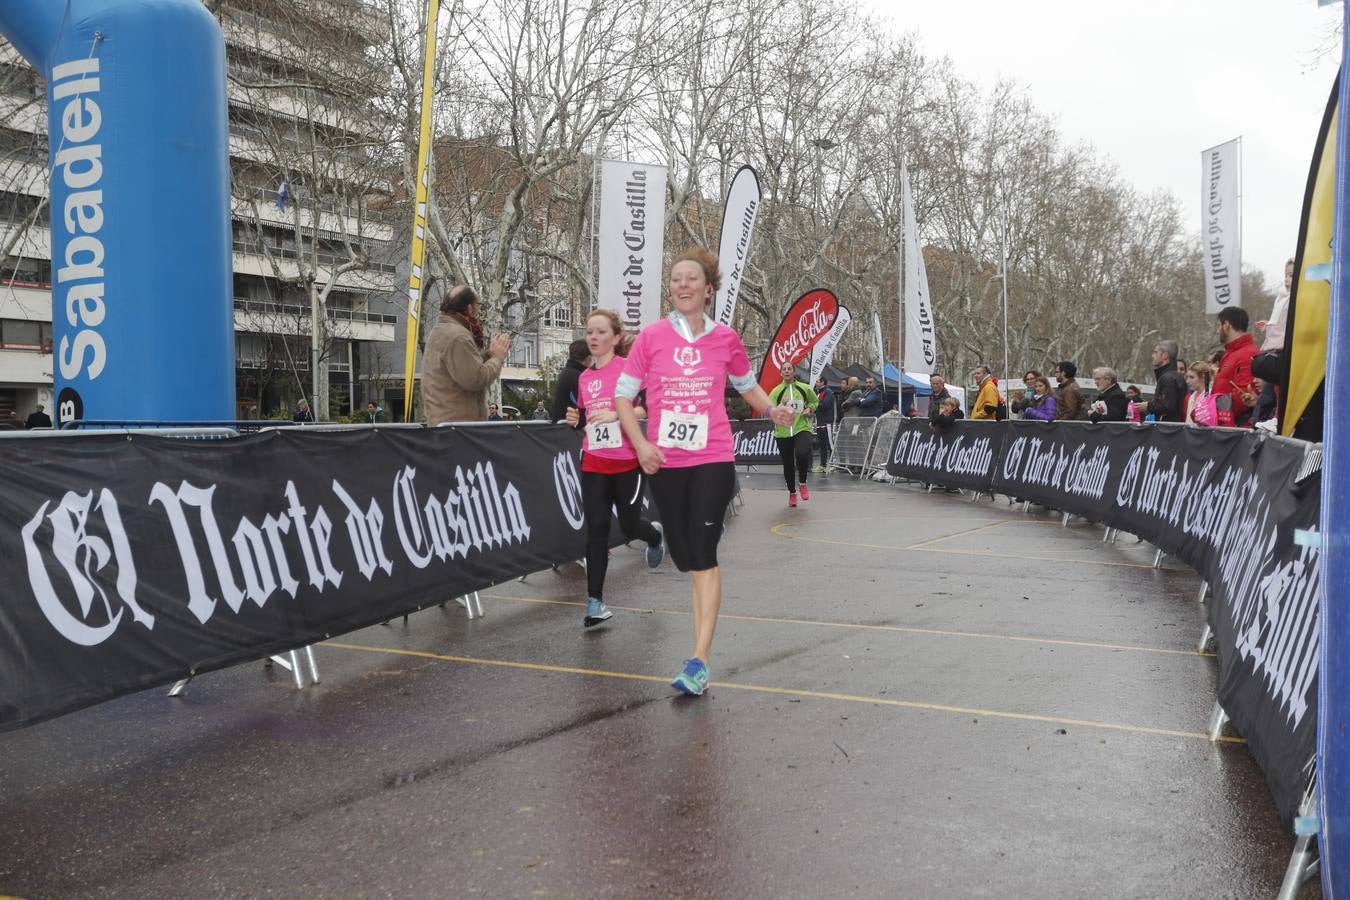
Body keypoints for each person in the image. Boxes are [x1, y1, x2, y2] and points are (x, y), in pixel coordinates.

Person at [614, 247, 794, 697]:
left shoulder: (726, 339)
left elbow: (746, 386)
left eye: (691, 279)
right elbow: (622, 398)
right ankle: (695, 538)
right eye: (675, 279)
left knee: (703, 556)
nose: (682, 285)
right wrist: (641, 445)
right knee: (684, 554)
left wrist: (772, 410)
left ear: (708, 289)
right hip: (664, 460)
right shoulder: (651, 338)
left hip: (713, 455)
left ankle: (699, 660)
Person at [564, 309, 665, 628]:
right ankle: (594, 603)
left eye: (600, 332)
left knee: (630, 525)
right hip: (593, 462)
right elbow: (583, 417)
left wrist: (617, 414)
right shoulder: (584, 377)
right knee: (596, 529)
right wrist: (575, 420)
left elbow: (647, 406)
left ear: (615, 338)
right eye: (589, 332)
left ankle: (654, 536)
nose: (593, 337)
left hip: (626, 462)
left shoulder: (629, 370)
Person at [421, 284, 512, 425]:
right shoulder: (458, 336)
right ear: (469, 308)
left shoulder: (442, 330)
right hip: (459, 430)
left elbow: (464, 368)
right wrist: (497, 358)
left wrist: (489, 354)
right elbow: (475, 378)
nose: (479, 310)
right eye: (479, 304)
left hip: (447, 426)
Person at [769, 361, 818, 507]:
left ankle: (802, 483)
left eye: (789, 369)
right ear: (781, 373)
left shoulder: (804, 388)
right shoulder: (776, 391)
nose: (787, 371)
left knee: (802, 453)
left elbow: (814, 402)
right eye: (784, 369)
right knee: (788, 464)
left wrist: (810, 409)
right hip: (783, 432)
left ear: (794, 372)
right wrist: (782, 405)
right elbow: (770, 412)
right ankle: (792, 493)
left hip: (801, 428)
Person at [1252, 257, 1295, 422]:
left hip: (1285, 347)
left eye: (1291, 275)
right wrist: (1268, 326)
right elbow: (1280, 323)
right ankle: (1277, 416)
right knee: (1275, 387)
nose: (1286, 279)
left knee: (1280, 386)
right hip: (1276, 346)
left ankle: (1280, 417)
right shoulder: (1282, 297)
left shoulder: (1294, 298)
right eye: (1286, 274)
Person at [1212, 307, 1259, 426]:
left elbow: (1244, 395)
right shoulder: (1229, 353)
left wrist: (1212, 410)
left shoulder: (1248, 354)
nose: (1217, 331)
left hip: (1236, 428)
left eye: (1218, 326)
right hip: (1224, 424)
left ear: (1226, 325)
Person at [1147, 341, 1186, 423]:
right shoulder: (1171, 376)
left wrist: (1148, 406)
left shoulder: (1168, 378)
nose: (1152, 356)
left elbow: (1167, 406)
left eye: (1155, 352)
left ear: (1165, 355)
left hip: (1167, 431)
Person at [551, 339, 590, 420]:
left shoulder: (566, 372)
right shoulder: (579, 377)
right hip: (572, 428)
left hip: (562, 426)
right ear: (588, 358)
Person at [813, 376, 836, 471]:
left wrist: (814, 404)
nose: (816, 383)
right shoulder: (818, 393)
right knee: (822, 445)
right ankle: (823, 465)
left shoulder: (828, 392)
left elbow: (825, 405)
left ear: (823, 382)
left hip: (827, 422)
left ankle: (834, 465)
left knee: (830, 444)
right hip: (819, 422)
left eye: (818, 382)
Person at [1184, 362, 1217, 426]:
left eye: (1191, 377)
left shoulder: (1210, 396)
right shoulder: (1192, 396)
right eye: (1187, 377)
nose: (1187, 381)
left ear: (1203, 377)